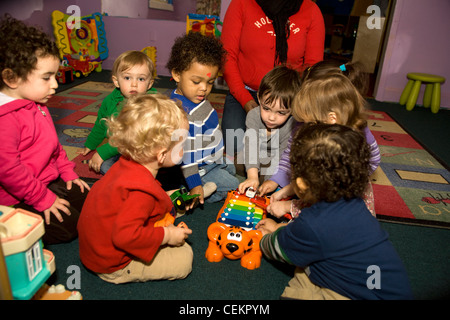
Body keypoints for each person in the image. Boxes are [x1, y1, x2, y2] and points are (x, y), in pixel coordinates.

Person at [257, 122, 413, 300]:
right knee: (310, 264)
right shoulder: (356, 205)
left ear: (300, 185)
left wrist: (264, 238)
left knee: (301, 262)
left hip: (360, 295)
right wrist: (280, 229)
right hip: (374, 284)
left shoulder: (314, 223)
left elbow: (281, 249)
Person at [77, 94, 193, 283]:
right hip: (111, 263)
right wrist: (167, 235)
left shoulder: (125, 165)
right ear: (162, 155)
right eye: (182, 144)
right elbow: (124, 237)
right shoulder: (141, 192)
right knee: (184, 258)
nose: (185, 148)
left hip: (95, 248)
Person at [0, 14, 90, 244]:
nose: (56, 85)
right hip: (15, 197)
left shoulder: (37, 103)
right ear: (11, 78)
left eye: (55, 76)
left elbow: (53, 145)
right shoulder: (5, 120)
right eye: (46, 77)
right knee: (70, 228)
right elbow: (9, 172)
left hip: (45, 180)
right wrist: (43, 198)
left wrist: (68, 172)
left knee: (89, 198)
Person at [261, 68, 380, 217]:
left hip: (341, 201)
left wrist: (352, 178)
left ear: (331, 119)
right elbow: (289, 154)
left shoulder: (358, 137)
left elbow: (374, 159)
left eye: (308, 122)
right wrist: (281, 183)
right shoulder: (308, 126)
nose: (303, 127)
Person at [220, 0, 325, 154]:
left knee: (292, 151)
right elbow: (227, 56)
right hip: (245, 92)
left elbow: (313, 67)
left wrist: (294, 104)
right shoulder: (241, 3)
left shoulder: (311, 10)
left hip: (289, 98)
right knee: (234, 146)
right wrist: (246, 100)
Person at [166, 32, 239, 206]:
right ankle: (195, 194)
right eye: (196, 81)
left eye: (210, 82)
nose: (204, 89)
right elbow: (187, 156)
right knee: (233, 185)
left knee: (232, 168)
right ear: (176, 74)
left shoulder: (193, 98)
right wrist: (195, 184)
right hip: (198, 167)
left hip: (212, 156)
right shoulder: (182, 115)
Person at [77, 50, 156, 174]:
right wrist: (90, 144)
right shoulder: (110, 101)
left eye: (141, 79)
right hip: (119, 148)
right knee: (104, 166)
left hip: (145, 149)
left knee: (150, 168)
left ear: (149, 84)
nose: (134, 84)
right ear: (116, 81)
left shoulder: (150, 104)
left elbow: (129, 138)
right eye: (127, 78)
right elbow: (101, 123)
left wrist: (101, 153)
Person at [237, 65, 301, 193]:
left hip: (277, 159)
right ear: (259, 97)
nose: (271, 117)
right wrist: (252, 176)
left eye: (281, 113)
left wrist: (271, 180)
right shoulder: (253, 115)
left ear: (293, 109)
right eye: (266, 108)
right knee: (240, 159)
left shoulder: (292, 125)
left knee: (290, 172)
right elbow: (251, 147)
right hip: (256, 155)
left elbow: (283, 157)